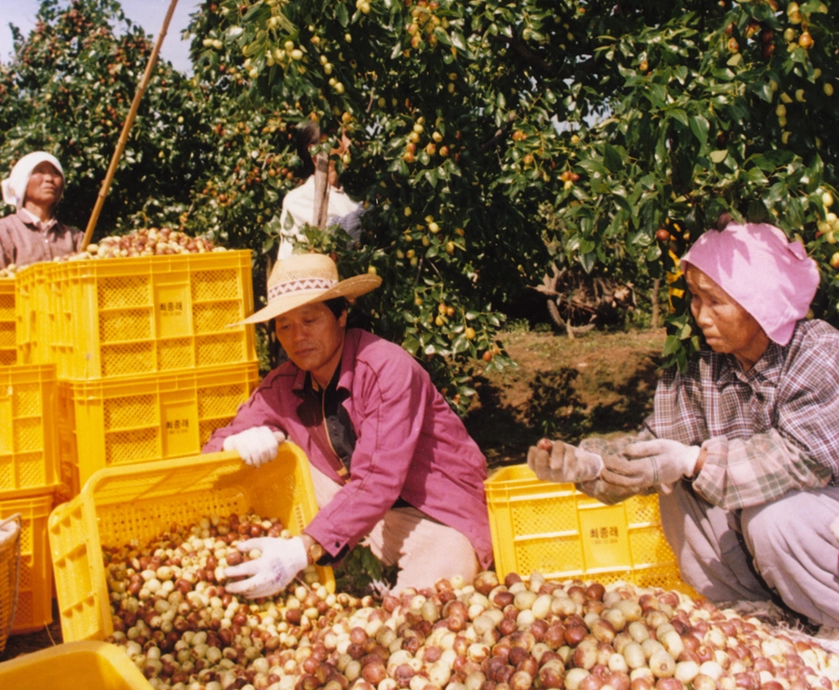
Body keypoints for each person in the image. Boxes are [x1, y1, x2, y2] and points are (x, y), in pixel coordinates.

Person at [528, 220, 839, 645]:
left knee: (775, 517)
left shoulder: (819, 355)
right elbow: (653, 450)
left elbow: (800, 457)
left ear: (761, 304)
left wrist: (693, 460)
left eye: (715, 301)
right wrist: (589, 463)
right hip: (769, 556)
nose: (700, 314)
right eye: (695, 297)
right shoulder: (701, 368)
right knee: (676, 487)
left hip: (822, 527)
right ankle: (754, 622)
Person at [203, 252, 492, 597]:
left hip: (434, 514)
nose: (298, 337)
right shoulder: (283, 384)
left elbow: (378, 479)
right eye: (285, 326)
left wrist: (300, 550)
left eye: (309, 320)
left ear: (340, 315)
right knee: (269, 459)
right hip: (364, 511)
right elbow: (211, 453)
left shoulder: (387, 370)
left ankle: (318, 553)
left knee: (420, 614)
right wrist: (235, 443)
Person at [276, 122, 363, 259]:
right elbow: (293, 262)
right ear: (315, 152)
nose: (348, 144)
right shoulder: (298, 200)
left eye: (348, 136)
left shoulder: (355, 198)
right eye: (339, 137)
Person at [0, 151, 82, 269]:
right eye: (40, 171)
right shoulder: (4, 231)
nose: (49, 178)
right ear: (22, 183)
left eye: (55, 173)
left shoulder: (75, 238)